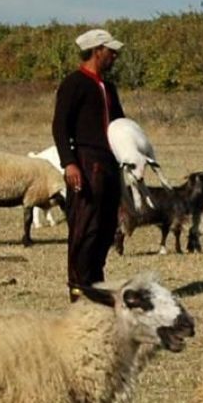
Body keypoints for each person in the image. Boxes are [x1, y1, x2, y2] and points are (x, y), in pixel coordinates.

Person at [52, 28, 126, 299]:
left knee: (106, 226)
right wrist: (69, 163)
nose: (114, 56)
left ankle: (96, 283)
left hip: (109, 162)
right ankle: (79, 288)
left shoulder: (109, 87)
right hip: (86, 161)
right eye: (110, 51)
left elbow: (119, 125)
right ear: (97, 51)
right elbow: (60, 126)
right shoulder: (74, 83)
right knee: (85, 227)